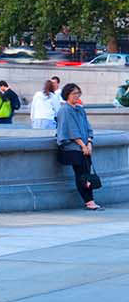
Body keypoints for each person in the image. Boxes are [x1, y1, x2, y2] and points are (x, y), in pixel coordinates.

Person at [55, 83, 101, 211]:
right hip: (73, 148)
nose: (77, 96)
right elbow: (71, 130)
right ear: (67, 95)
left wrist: (89, 142)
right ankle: (89, 201)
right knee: (81, 174)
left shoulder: (80, 109)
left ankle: (90, 200)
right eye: (74, 93)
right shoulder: (64, 110)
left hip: (84, 146)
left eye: (78, 93)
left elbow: (88, 127)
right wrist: (83, 145)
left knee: (86, 173)